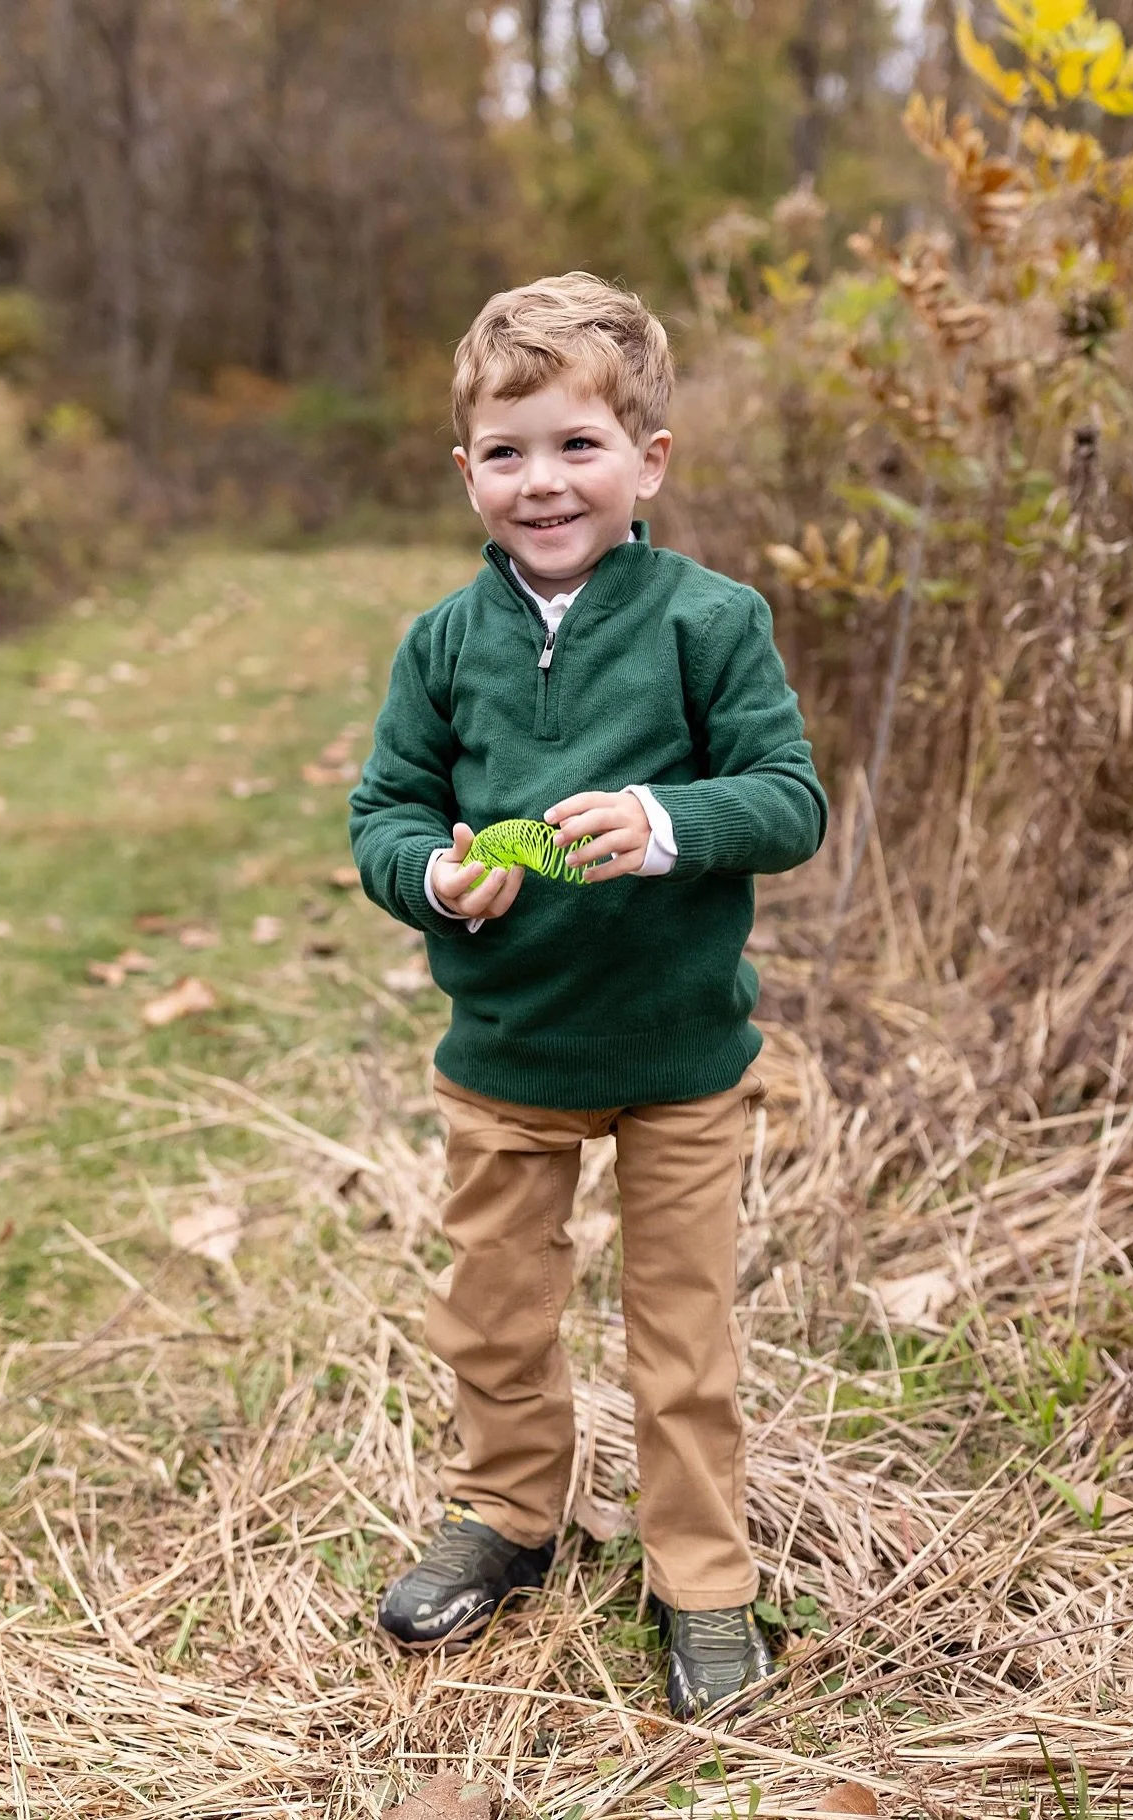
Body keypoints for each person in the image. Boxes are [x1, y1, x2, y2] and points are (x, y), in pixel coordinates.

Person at [348, 272, 827, 1719]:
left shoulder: (711, 622)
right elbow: (385, 812)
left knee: (682, 1339)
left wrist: (670, 821)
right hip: (508, 1051)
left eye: (578, 445)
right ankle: (508, 1517)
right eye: (507, 452)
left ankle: (703, 1580)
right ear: (467, 473)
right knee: (495, 1312)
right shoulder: (442, 646)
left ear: (648, 460)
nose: (543, 481)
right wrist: (435, 878)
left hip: (682, 1055)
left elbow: (789, 800)